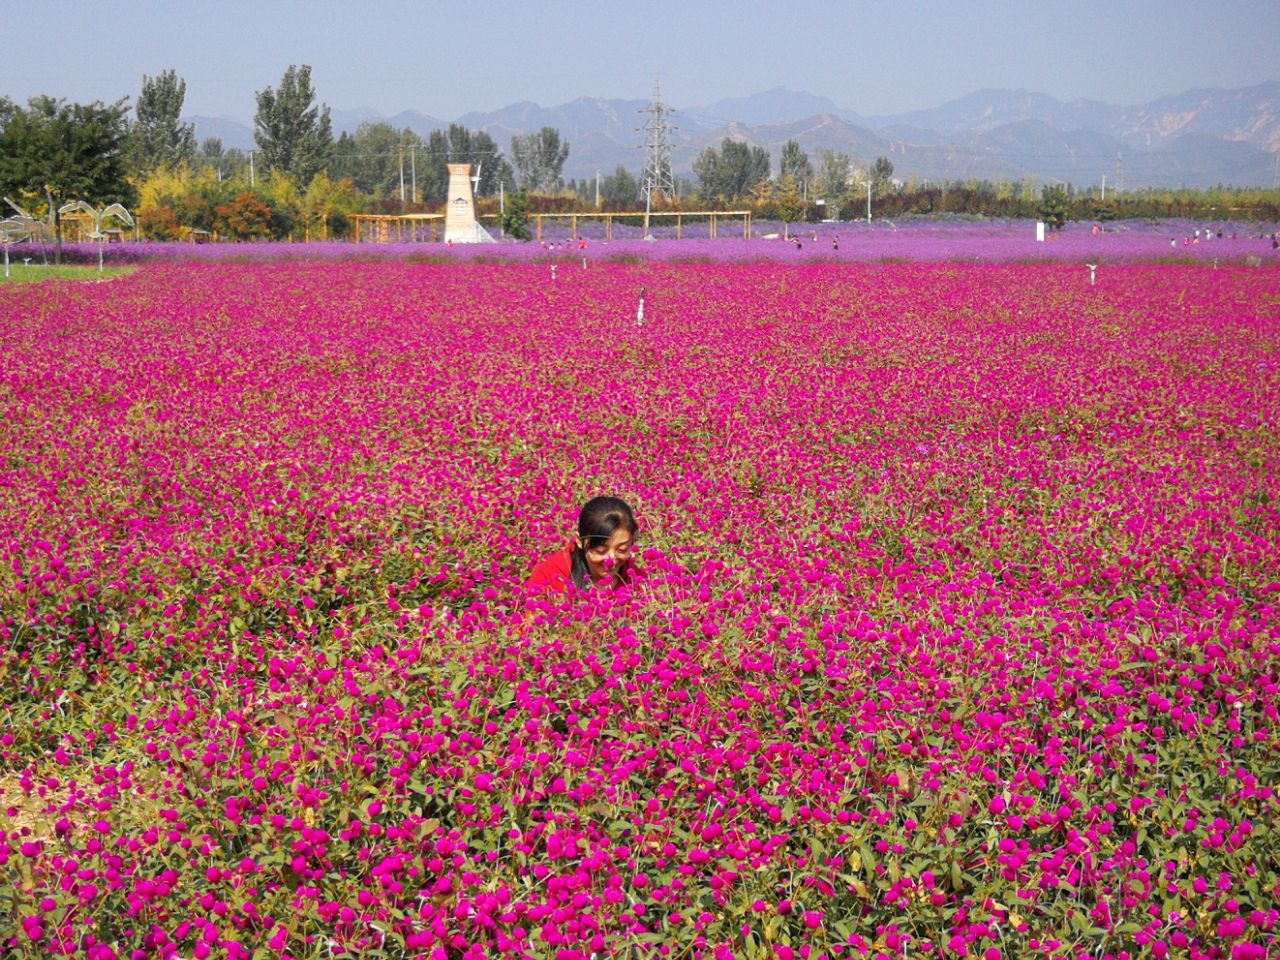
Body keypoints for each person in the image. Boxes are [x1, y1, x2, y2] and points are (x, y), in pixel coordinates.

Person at [526, 496, 639, 595]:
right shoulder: (549, 576)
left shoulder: (637, 581)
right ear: (579, 541)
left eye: (622, 549)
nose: (611, 560)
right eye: (601, 550)